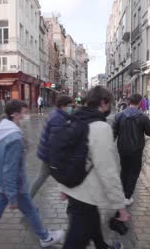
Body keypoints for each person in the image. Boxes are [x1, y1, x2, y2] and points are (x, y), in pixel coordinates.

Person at [0, 100, 64, 248]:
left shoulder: (2, 130)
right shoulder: (14, 138)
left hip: (0, 185)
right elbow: (10, 169)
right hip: (15, 187)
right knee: (31, 211)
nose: (26, 116)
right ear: (15, 114)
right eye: (24, 113)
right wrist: (12, 197)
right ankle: (45, 237)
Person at [60, 86, 129, 249]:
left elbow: (66, 154)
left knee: (92, 220)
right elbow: (107, 170)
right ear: (103, 102)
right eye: (109, 103)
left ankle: (102, 246)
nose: (110, 107)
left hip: (74, 188)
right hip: (86, 193)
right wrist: (120, 205)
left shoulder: (74, 119)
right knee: (75, 241)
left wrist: (63, 187)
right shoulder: (101, 127)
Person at [113, 94, 150, 206]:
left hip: (123, 148)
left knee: (124, 170)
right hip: (136, 149)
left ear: (129, 101)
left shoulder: (119, 116)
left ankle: (123, 194)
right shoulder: (143, 117)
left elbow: (113, 134)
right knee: (134, 172)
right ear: (140, 102)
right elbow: (149, 133)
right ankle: (128, 195)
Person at [31, 95, 74, 198]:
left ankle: (28, 199)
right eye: (69, 106)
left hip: (48, 155)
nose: (71, 108)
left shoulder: (57, 114)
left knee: (41, 177)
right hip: (52, 157)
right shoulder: (58, 119)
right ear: (62, 106)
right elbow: (56, 142)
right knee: (67, 178)